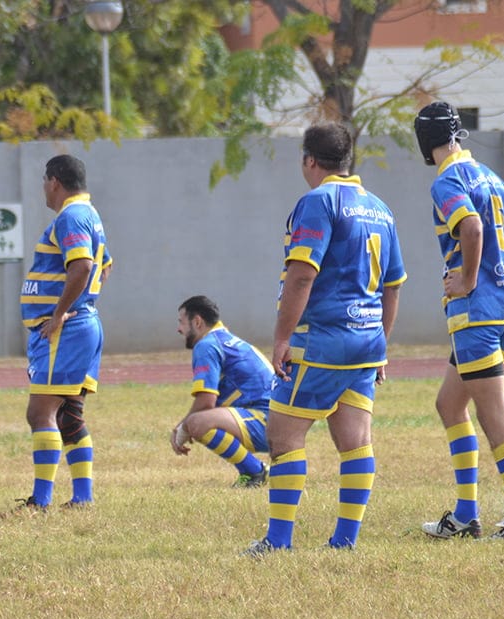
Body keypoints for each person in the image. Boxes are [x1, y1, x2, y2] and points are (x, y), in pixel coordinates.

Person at [244, 123, 406, 555]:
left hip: (322, 340)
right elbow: (393, 285)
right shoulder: (380, 208)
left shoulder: (318, 202)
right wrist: (380, 344)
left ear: (309, 160)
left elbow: (302, 274)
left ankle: (278, 542)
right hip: (366, 340)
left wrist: (281, 338)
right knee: (354, 439)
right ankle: (344, 541)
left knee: (283, 434)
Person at [413, 101, 504, 541]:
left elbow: (470, 229)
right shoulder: (487, 176)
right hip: (500, 311)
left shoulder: (448, 180)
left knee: (494, 418)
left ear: (424, 141)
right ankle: (465, 515)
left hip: (475, 317)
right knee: (449, 405)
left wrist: (470, 282)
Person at [13, 154, 112, 512]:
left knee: (40, 414)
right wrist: (85, 304)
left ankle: (41, 501)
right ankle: (82, 497)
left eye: (44, 180)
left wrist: (60, 313)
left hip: (66, 330)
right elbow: (106, 266)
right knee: (69, 416)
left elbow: (84, 265)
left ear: (53, 180)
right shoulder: (90, 214)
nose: (43, 187)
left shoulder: (71, 215)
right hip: (82, 325)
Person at [171, 295, 272, 488]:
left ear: (197, 321)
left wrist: (181, 428)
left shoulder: (206, 345)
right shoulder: (226, 340)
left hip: (266, 422)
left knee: (196, 423)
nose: (179, 329)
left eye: (181, 322)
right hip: (278, 421)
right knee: (198, 421)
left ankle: (254, 471)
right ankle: (253, 471)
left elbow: (206, 402)